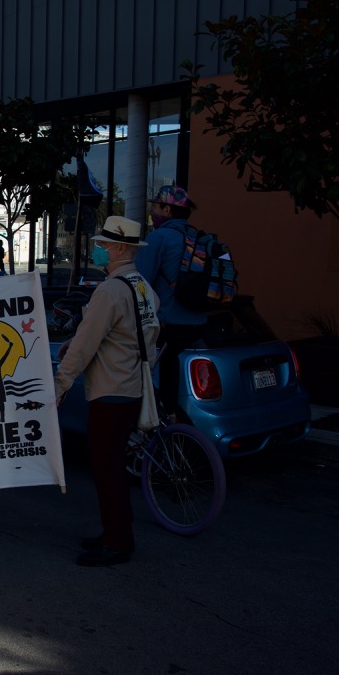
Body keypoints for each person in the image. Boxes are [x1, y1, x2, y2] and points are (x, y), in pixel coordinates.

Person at [53, 216, 159, 567]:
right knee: (111, 465)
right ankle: (114, 533)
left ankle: (117, 541)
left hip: (111, 392)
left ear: (118, 248)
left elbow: (85, 344)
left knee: (107, 468)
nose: (97, 250)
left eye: (102, 245)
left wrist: (60, 385)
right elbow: (142, 337)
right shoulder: (141, 286)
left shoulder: (110, 291)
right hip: (130, 386)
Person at [134, 186, 208, 411]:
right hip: (199, 325)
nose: (153, 213)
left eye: (155, 207)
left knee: (161, 396)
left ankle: (163, 433)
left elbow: (139, 282)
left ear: (167, 209)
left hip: (167, 326)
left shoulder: (159, 237)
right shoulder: (199, 239)